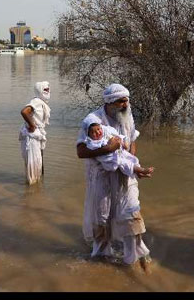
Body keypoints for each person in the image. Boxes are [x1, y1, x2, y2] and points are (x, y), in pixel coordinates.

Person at [77, 83, 151, 267]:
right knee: (102, 217)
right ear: (109, 103)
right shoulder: (92, 121)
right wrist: (108, 148)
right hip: (101, 176)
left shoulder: (127, 115)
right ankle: (102, 256)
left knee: (131, 210)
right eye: (120, 101)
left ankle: (136, 255)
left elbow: (132, 139)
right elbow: (80, 151)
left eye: (127, 100)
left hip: (125, 173)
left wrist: (132, 164)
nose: (125, 104)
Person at [83, 114, 154, 178]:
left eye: (98, 129)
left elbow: (117, 136)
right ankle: (143, 170)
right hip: (112, 160)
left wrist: (122, 143)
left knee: (131, 158)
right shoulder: (92, 143)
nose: (98, 133)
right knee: (126, 164)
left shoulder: (105, 134)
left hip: (119, 153)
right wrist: (109, 145)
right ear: (89, 135)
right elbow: (101, 150)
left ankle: (139, 173)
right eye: (93, 132)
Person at [19, 81, 51, 185]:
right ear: (39, 91)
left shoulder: (41, 102)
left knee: (38, 163)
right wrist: (32, 125)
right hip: (32, 137)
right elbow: (24, 111)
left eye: (48, 89)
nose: (47, 92)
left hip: (37, 136)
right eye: (45, 90)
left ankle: (37, 187)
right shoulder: (36, 101)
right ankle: (33, 190)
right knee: (34, 165)